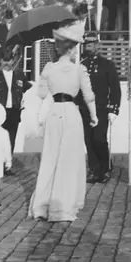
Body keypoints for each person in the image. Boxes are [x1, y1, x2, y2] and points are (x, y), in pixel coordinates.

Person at [28, 23, 98, 222]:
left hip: (54, 113)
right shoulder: (79, 69)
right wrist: (94, 116)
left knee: (50, 158)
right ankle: (63, 207)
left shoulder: (49, 68)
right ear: (72, 49)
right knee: (69, 159)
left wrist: (47, 80)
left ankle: (42, 205)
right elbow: (89, 96)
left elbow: (42, 93)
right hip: (71, 114)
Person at [80, 32, 121, 184]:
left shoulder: (107, 65)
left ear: (98, 45)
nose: (88, 46)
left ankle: (105, 168)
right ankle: (94, 170)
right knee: (88, 140)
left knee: (99, 139)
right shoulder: (81, 65)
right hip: (85, 109)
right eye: (86, 44)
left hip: (101, 108)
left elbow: (115, 88)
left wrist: (113, 109)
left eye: (91, 44)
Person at [0, 45, 31, 161]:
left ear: (13, 60)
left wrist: (23, 100)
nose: (6, 63)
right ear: (0, 61)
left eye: (9, 60)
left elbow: (27, 88)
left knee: (11, 139)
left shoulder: (19, 75)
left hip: (14, 111)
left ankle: (7, 163)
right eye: (4, 60)